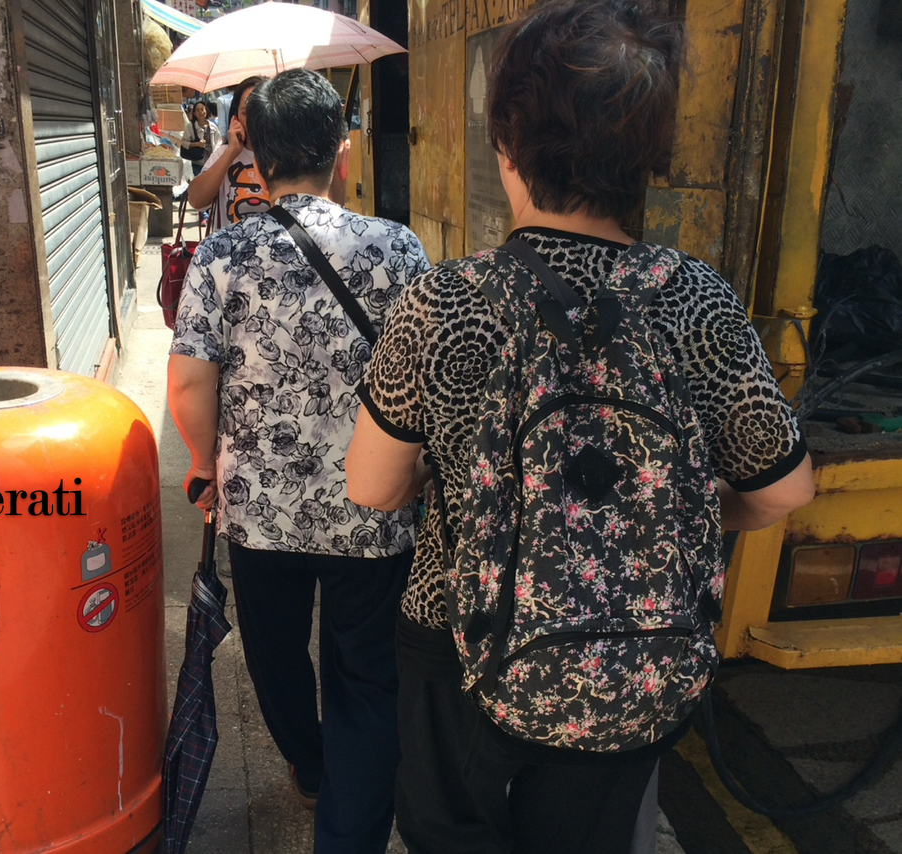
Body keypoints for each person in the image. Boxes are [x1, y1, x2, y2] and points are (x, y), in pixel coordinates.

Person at [345, 2, 816, 854]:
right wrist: (678, 509)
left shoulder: (448, 302)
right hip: (632, 663)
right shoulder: (696, 300)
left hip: (460, 642)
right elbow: (783, 488)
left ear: (509, 144)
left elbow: (372, 489)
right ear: (649, 154)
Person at [167, 69, 432, 854]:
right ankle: (348, 828)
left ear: (256, 156)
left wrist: (204, 461)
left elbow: (187, 383)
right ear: (341, 153)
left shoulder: (224, 256)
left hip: (261, 510)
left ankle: (311, 763)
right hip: (374, 512)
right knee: (366, 676)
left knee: (275, 655)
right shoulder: (398, 248)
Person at [186, 76, 272, 226]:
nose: (253, 119)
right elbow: (196, 200)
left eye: (259, 111)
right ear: (235, 116)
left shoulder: (286, 157)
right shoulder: (223, 154)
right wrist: (231, 152)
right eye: (246, 112)